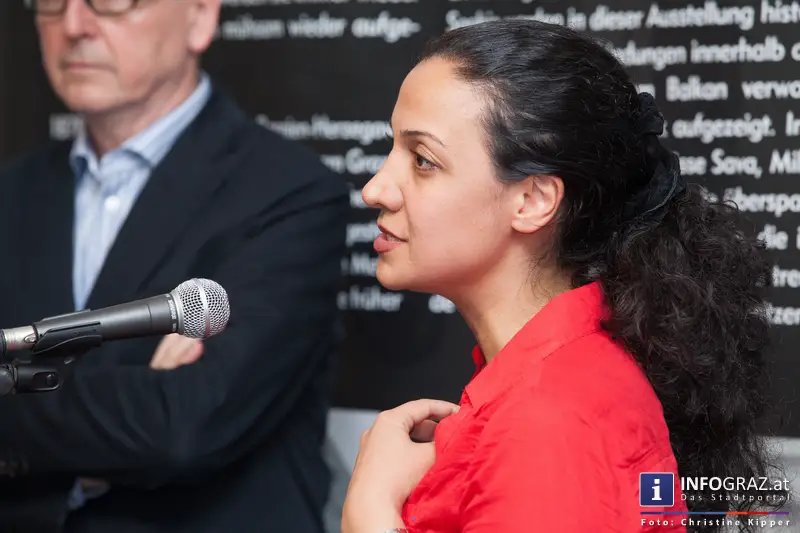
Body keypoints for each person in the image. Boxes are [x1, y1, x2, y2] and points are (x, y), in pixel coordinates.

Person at [340, 20, 789, 533]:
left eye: (423, 160)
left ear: (533, 200)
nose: (375, 189)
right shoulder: (546, 388)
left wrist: (369, 513)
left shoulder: (553, 420)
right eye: (394, 149)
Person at [0, 0, 348, 532]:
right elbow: (154, 417)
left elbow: (182, 424)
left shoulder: (291, 194)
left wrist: (14, 396)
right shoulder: (11, 192)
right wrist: (135, 393)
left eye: (109, 2)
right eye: (52, 3)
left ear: (200, 17)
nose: (73, 25)